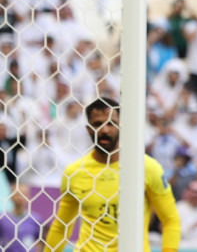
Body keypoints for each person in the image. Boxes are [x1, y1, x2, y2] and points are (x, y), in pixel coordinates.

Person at [44, 97, 181, 252]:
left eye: (111, 123)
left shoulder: (146, 168)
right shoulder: (75, 172)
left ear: (121, 126)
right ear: (88, 128)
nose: (104, 130)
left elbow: (170, 220)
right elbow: (61, 227)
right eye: (98, 124)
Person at [0, 184, 42, 251]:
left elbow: (39, 241)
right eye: (17, 194)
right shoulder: (2, 218)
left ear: (29, 197)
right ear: (11, 196)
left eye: (23, 194)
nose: (20, 197)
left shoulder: (35, 219)